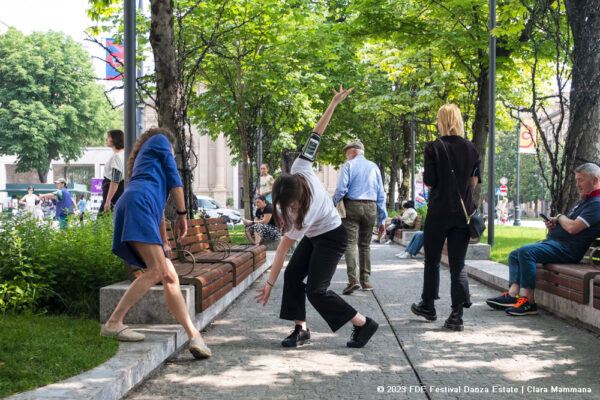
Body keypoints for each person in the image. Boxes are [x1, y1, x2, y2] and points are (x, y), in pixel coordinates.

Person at [255, 85, 379, 349]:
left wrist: (268, 283)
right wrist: (333, 103)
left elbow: (281, 250)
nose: (291, 208)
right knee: (293, 276)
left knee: (316, 290)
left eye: (294, 204)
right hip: (314, 236)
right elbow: (316, 134)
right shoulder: (300, 167)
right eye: (287, 205)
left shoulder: (305, 212)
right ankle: (301, 329)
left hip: (332, 236)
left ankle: (363, 323)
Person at [101, 128, 211, 359]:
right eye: (172, 153)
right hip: (138, 206)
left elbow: (159, 209)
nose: (171, 156)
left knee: (169, 275)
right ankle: (113, 323)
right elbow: (175, 179)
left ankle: (194, 336)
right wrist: (183, 214)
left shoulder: (147, 163)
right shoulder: (160, 140)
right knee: (157, 270)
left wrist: (164, 242)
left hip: (141, 206)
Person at [486, 163, 600, 316]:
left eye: (581, 180)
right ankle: (513, 295)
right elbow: (569, 225)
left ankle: (528, 301)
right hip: (558, 244)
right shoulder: (586, 201)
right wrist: (555, 224)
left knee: (526, 252)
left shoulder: (596, 204)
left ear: (595, 180)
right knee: (515, 254)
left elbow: (573, 228)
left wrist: (559, 218)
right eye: (576, 180)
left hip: (567, 249)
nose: (577, 185)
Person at [410, 104, 481, 332]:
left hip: (439, 211)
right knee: (457, 264)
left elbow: (430, 181)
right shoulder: (471, 148)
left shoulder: (434, 147)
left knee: (431, 260)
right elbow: (473, 183)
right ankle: (456, 315)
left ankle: (428, 305)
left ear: (441, 121)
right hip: (462, 214)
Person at [333, 141, 387, 295]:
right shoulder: (374, 167)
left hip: (353, 206)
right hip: (371, 207)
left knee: (350, 243)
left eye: (347, 153)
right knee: (365, 245)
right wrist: (381, 220)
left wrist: (333, 203)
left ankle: (353, 280)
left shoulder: (349, 166)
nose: (346, 157)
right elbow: (381, 194)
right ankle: (366, 282)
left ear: (353, 152)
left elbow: (341, 189)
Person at [99, 129, 125, 215]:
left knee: (102, 219)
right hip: (120, 190)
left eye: (108, 137)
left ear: (115, 139)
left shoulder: (117, 157)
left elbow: (115, 180)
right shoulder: (124, 154)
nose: (106, 140)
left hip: (113, 193)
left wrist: (108, 201)